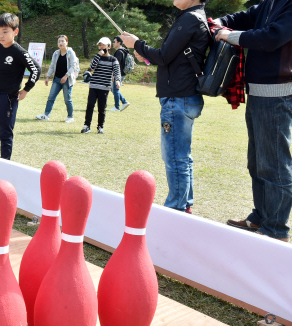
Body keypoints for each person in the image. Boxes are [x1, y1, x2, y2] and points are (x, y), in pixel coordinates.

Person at [120, 0, 208, 214]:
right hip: (185, 97)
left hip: (178, 98)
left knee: (175, 156)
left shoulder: (189, 19)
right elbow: (168, 57)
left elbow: (164, 55)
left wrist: (137, 44)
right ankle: (184, 204)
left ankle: (175, 209)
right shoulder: (194, 18)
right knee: (182, 155)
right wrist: (145, 53)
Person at [215, 3, 292, 242]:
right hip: (259, 92)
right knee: (257, 164)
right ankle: (260, 217)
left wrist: (230, 35)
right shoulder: (269, 3)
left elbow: (272, 37)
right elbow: (241, 17)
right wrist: (215, 21)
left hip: (277, 94)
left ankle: (276, 230)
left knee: (274, 166)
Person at [0, 13, 41, 160]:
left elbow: (36, 69)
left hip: (7, 98)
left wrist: (26, 89)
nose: (1, 35)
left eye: (5, 32)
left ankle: (5, 166)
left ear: (15, 31)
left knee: (5, 134)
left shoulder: (19, 52)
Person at [35, 35, 78, 123]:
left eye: (63, 41)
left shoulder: (70, 53)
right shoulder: (56, 53)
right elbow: (52, 66)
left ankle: (70, 117)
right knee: (51, 97)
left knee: (67, 99)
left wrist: (66, 76)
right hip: (57, 79)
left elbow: (73, 66)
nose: (61, 43)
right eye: (59, 41)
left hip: (67, 80)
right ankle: (46, 115)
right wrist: (48, 77)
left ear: (67, 42)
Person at [81, 38, 120, 134]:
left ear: (109, 46)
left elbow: (117, 71)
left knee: (102, 108)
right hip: (94, 85)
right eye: (99, 45)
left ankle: (100, 127)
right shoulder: (97, 57)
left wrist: (118, 80)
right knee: (90, 105)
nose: (101, 47)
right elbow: (92, 67)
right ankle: (87, 126)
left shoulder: (113, 59)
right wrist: (98, 55)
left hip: (104, 87)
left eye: (103, 45)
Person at [110, 36, 131, 112]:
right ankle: (124, 102)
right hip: (121, 73)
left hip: (118, 73)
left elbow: (117, 65)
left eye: (114, 41)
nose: (113, 43)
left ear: (119, 43)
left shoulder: (119, 52)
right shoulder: (123, 51)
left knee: (115, 90)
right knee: (113, 89)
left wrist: (113, 75)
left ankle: (117, 107)